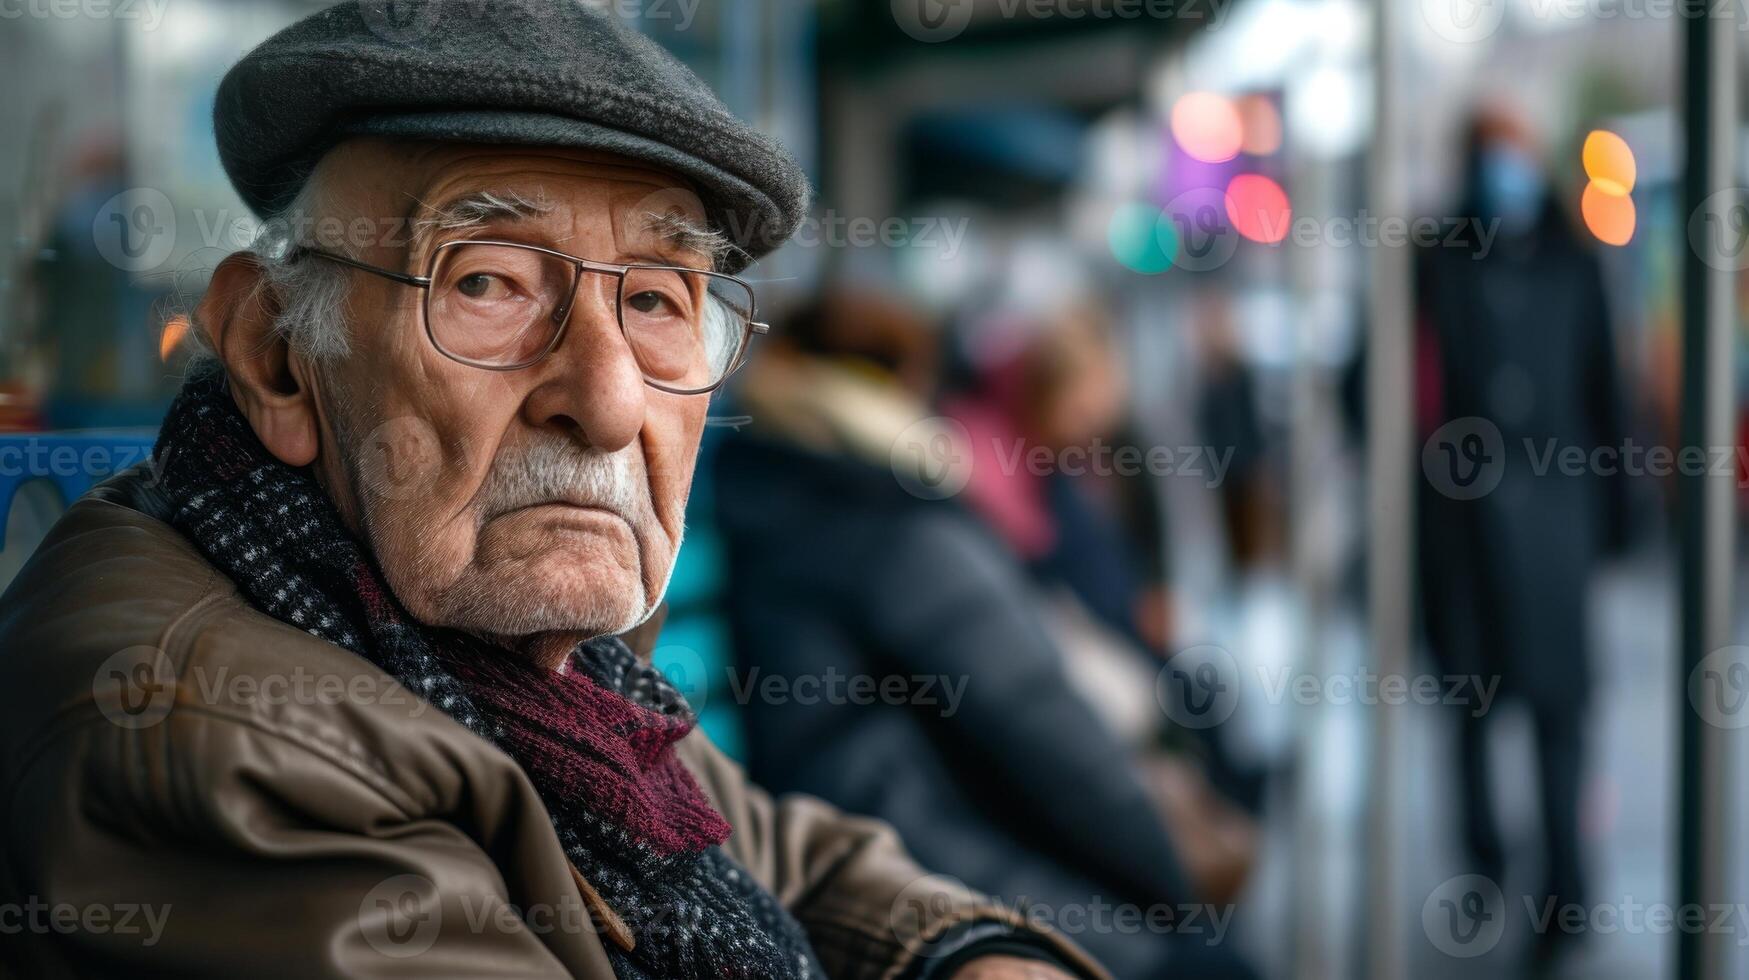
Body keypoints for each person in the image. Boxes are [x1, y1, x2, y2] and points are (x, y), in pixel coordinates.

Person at [0, 4, 1102, 979]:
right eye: (487, 282)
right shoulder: (217, 743)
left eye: (662, 300)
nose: (610, 402)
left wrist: (970, 953)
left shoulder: (490, 655)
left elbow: (771, 842)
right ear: (278, 350)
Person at [715, 290, 1256, 979]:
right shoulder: (893, 511)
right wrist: (1171, 907)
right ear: (904, 379)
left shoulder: (761, 482)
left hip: (896, 867)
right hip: (950, 875)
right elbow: (1048, 733)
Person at [1415, 104, 1628, 969]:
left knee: (1558, 715)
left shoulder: (1572, 260)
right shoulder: (1432, 261)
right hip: (1458, 533)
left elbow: (1604, 393)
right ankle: (1483, 867)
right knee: (1467, 710)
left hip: (1551, 525)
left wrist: (1614, 522)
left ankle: (1565, 891)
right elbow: (1385, 382)